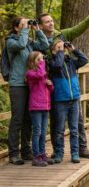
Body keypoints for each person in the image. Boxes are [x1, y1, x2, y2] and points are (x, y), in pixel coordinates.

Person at [38, 12, 89, 159]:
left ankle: (81, 148)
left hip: (71, 88)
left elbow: (77, 29)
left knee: (77, 121)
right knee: (57, 122)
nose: (51, 23)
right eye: (47, 22)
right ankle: (57, 151)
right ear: (40, 25)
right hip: (54, 86)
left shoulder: (62, 35)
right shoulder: (39, 42)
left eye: (51, 21)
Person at [6, 17, 49, 165]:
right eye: (23, 24)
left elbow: (44, 46)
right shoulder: (11, 41)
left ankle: (26, 151)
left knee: (28, 119)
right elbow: (21, 44)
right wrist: (25, 30)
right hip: (17, 85)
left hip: (31, 85)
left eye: (26, 24)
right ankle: (13, 153)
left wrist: (37, 30)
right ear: (16, 27)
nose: (26, 26)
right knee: (17, 119)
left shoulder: (29, 41)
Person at [48, 39, 88, 163]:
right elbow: (58, 65)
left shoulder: (71, 61)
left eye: (62, 46)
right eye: (58, 47)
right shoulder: (52, 62)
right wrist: (60, 52)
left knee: (74, 129)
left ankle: (75, 153)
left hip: (74, 99)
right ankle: (59, 153)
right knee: (60, 129)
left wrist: (73, 49)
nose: (62, 48)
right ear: (53, 50)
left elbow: (84, 60)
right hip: (61, 100)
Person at [26, 51, 54, 167]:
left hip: (45, 106)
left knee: (43, 132)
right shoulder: (30, 73)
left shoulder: (43, 74)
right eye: (39, 59)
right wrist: (42, 64)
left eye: (42, 59)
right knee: (37, 132)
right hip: (36, 107)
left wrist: (49, 84)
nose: (41, 61)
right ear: (33, 61)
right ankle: (36, 156)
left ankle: (42, 154)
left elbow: (50, 90)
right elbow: (39, 75)